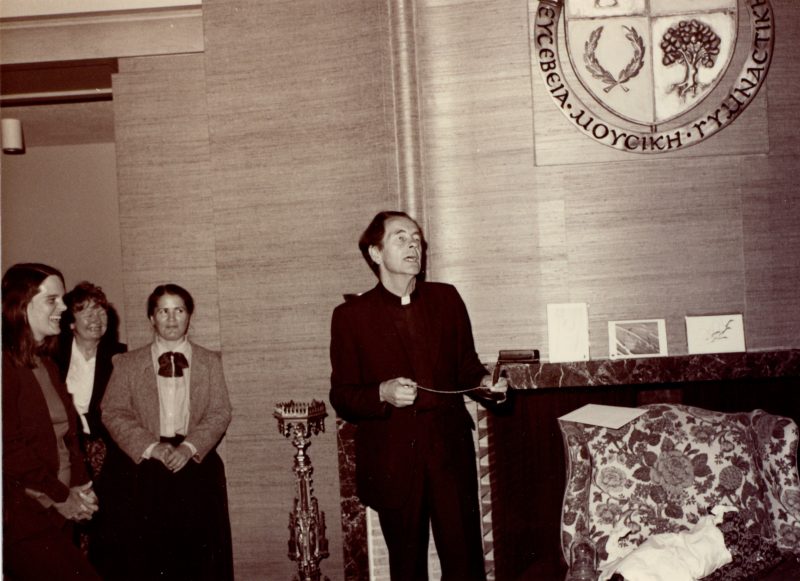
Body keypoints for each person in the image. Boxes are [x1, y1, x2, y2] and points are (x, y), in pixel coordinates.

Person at [329, 211, 509, 581]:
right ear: (375, 253)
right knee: (407, 570)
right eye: (401, 238)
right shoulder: (351, 316)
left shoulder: (447, 299)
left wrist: (488, 386)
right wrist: (382, 392)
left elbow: (466, 368)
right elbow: (342, 395)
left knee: (465, 567)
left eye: (416, 238)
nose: (414, 245)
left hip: (449, 455)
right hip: (394, 460)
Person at [102, 283, 233, 580]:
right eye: (163, 311)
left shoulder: (210, 361)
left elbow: (220, 411)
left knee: (200, 558)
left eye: (179, 311)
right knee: (148, 555)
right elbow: (112, 411)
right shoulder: (127, 363)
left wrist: (189, 447)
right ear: (151, 318)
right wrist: (151, 446)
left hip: (197, 465)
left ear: (189, 316)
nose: (171, 319)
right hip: (145, 468)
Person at [2, 263, 101, 580]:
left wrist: (81, 486)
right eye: (52, 300)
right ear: (21, 304)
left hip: (58, 509)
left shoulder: (46, 362)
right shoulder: (4, 365)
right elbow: (9, 449)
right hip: (26, 515)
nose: (63, 307)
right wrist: (61, 496)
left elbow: (68, 435)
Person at [56, 281, 127, 573]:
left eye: (101, 311)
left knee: (108, 532)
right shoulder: (51, 357)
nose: (96, 319)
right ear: (71, 322)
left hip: (110, 454)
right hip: (63, 453)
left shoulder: (121, 357)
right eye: (85, 312)